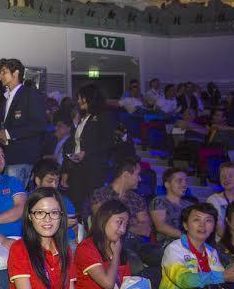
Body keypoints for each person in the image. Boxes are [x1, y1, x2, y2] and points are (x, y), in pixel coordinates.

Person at [0, 58, 46, 183]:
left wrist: (9, 134)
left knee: (15, 193)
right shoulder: (6, 97)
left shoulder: (30, 94)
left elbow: (38, 125)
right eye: (0, 73)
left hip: (23, 157)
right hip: (8, 156)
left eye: (4, 72)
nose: (1, 76)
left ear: (16, 73)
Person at [69, 84, 115, 212]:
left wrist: (87, 153)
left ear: (89, 98)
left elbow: (109, 142)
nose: (78, 101)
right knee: (76, 203)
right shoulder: (83, 116)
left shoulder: (104, 115)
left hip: (94, 168)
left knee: (92, 204)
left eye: (81, 98)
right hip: (78, 167)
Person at [90, 157, 152, 244]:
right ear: (126, 175)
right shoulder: (101, 194)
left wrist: (119, 224)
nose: (140, 179)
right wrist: (132, 223)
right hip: (107, 243)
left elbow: (146, 230)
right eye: (137, 174)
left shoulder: (137, 199)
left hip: (135, 244)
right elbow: (103, 222)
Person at [31, 159, 77, 241]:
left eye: (57, 181)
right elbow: (28, 228)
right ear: (38, 180)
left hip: (68, 242)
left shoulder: (63, 200)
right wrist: (60, 224)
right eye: (50, 181)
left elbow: (75, 223)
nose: (54, 185)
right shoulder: (28, 200)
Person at [150, 168, 194, 246]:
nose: (184, 185)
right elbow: (160, 226)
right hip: (167, 244)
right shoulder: (159, 201)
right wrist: (186, 237)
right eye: (179, 181)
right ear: (167, 184)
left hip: (189, 242)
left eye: (186, 181)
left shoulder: (190, 205)